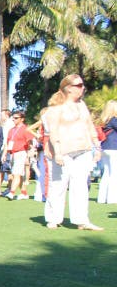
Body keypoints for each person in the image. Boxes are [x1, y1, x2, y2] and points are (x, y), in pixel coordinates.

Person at [43, 74, 103, 230]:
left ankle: (82, 220)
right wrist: (57, 152)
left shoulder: (82, 105)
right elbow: (53, 131)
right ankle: (53, 218)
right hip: (63, 151)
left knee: (81, 185)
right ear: (69, 88)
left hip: (83, 150)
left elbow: (90, 126)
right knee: (58, 185)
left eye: (82, 85)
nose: (83, 88)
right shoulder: (55, 108)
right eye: (79, 85)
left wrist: (97, 146)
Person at [4, 111, 31, 200]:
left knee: (16, 174)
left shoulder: (25, 129)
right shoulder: (11, 130)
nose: (13, 119)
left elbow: (29, 143)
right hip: (12, 153)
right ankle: (24, 192)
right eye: (13, 118)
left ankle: (11, 193)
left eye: (16, 118)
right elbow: (7, 144)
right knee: (18, 174)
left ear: (22, 119)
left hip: (21, 152)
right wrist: (5, 154)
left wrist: (28, 155)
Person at [97, 100, 117, 204]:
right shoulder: (114, 119)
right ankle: (112, 198)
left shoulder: (104, 120)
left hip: (105, 147)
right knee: (114, 174)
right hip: (114, 148)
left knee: (106, 173)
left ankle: (102, 198)